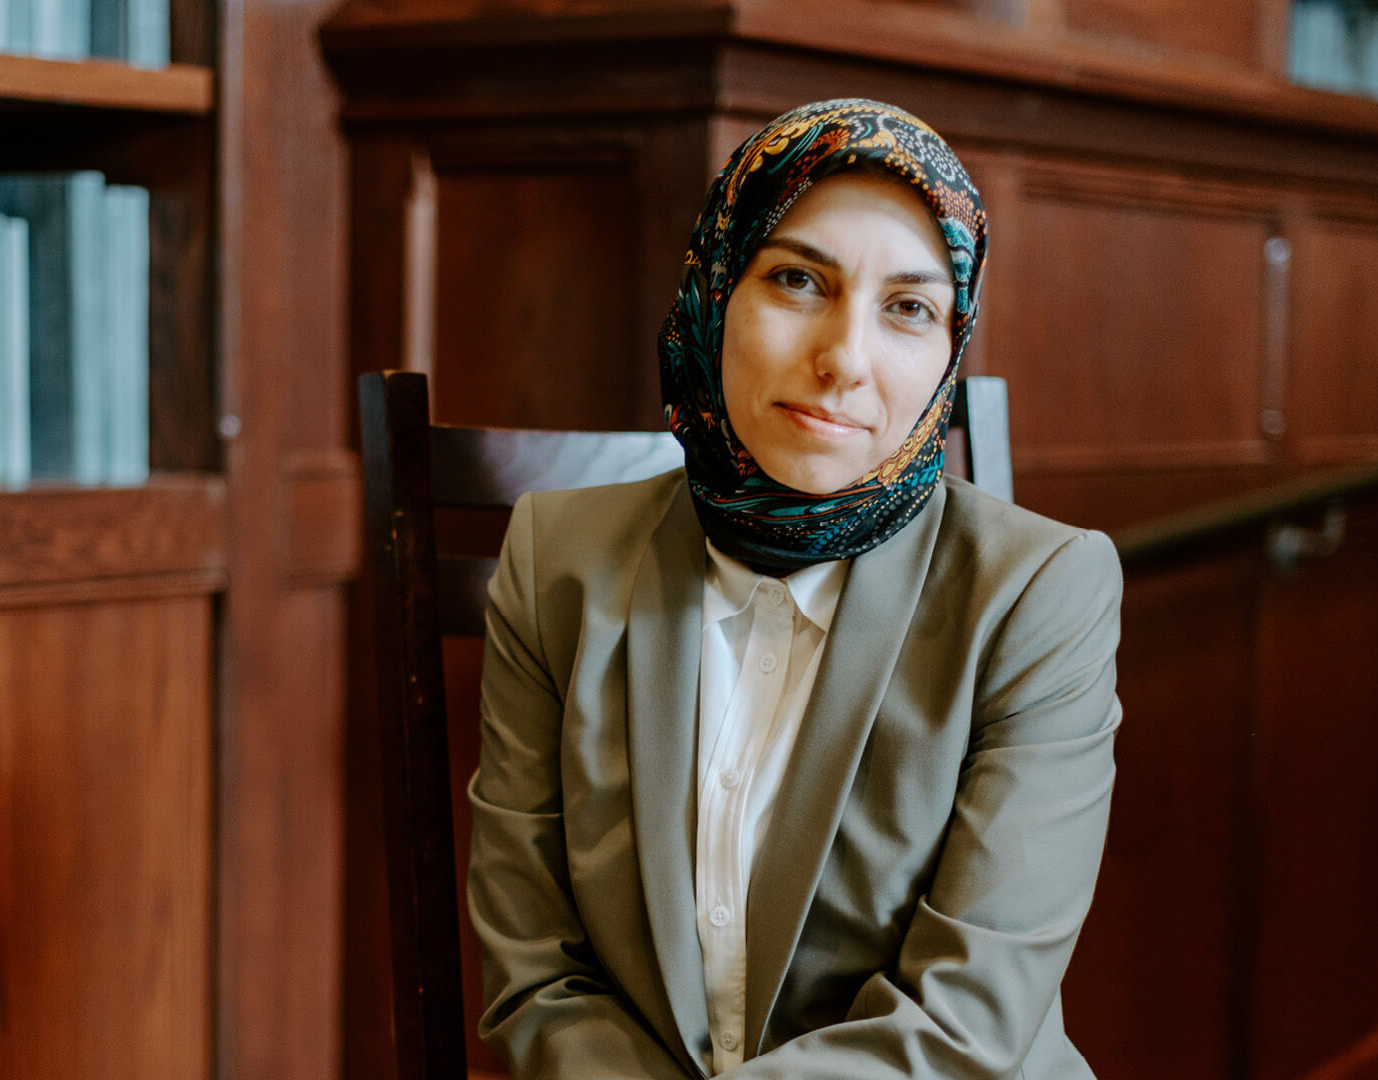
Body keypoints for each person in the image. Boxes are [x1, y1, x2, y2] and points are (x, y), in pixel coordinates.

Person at [465, 98, 1124, 1079]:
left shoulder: (1043, 593)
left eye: (908, 308)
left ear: (951, 349)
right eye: (798, 281)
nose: (845, 362)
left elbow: (962, 1026)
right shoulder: (556, 560)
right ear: (716, 289)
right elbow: (537, 980)